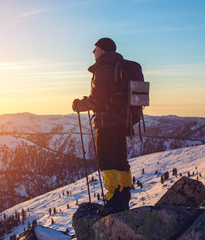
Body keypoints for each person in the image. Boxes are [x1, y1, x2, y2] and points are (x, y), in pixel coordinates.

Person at [72, 37, 132, 216]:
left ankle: (113, 201)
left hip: (107, 122)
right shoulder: (119, 67)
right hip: (121, 121)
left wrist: (78, 105)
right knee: (120, 159)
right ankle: (124, 197)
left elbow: (97, 99)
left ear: (103, 50)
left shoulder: (104, 69)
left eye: (95, 48)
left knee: (106, 161)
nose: (93, 52)